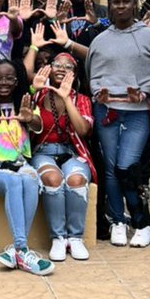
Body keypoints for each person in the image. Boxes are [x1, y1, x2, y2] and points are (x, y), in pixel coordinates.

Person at [86, 0, 150, 248]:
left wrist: (146, 92)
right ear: (109, 5)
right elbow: (92, 72)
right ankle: (118, 219)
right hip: (107, 111)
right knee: (110, 170)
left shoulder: (149, 36)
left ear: (135, 4)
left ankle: (142, 222)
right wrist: (97, 92)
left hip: (138, 112)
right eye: (115, 2)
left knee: (126, 166)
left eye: (126, 1)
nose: (120, 7)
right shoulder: (101, 39)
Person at [0, 58, 53, 276]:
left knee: (31, 178)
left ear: (18, 81)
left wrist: (29, 119)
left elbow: (38, 126)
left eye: (9, 78)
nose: (3, 82)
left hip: (20, 165)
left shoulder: (26, 104)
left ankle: (18, 250)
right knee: (15, 181)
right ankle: (23, 249)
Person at [30, 51, 95, 262]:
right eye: (57, 65)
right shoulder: (38, 96)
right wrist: (34, 90)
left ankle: (75, 238)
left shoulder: (82, 99)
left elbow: (83, 129)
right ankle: (58, 237)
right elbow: (27, 125)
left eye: (68, 67)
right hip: (44, 152)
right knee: (52, 179)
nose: (61, 69)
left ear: (75, 75)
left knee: (76, 180)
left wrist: (66, 98)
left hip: (72, 152)